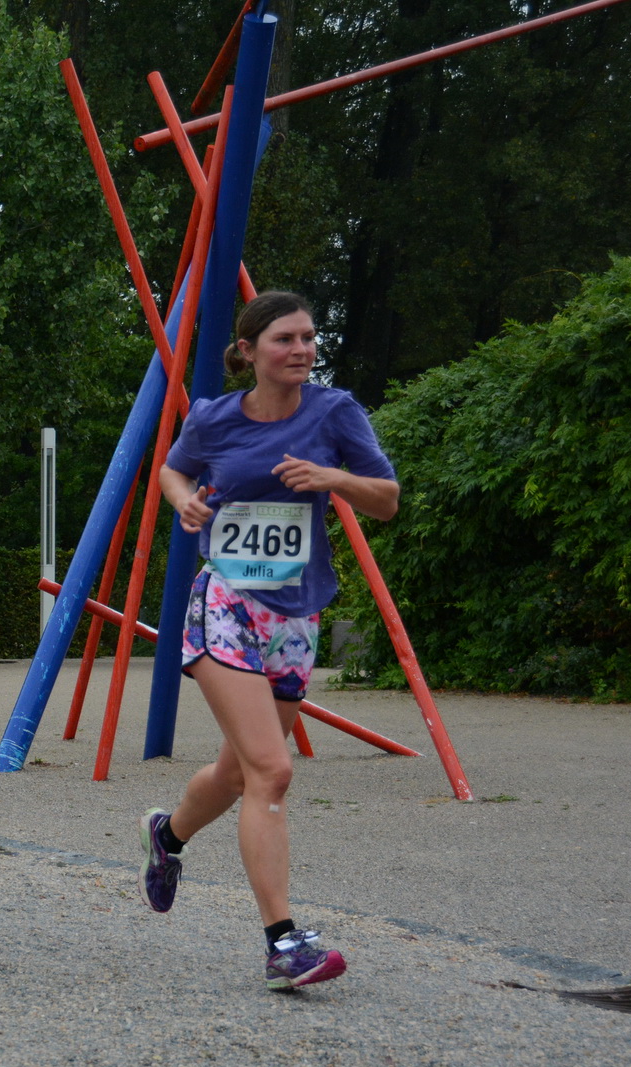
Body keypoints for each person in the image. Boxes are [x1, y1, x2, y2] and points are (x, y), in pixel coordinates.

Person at [143, 290, 399, 991]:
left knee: (238, 774)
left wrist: (333, 478)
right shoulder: (214, 416)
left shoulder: (335, 412)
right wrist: (183, 499)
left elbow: (387, 496)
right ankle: (284, 944)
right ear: (249, 350)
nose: (302, 349)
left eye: (310, 338)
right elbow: (174, 467)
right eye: (285, 338)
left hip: (296, 616)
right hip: (225, 602)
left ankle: (166, 836)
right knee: (273, 769)